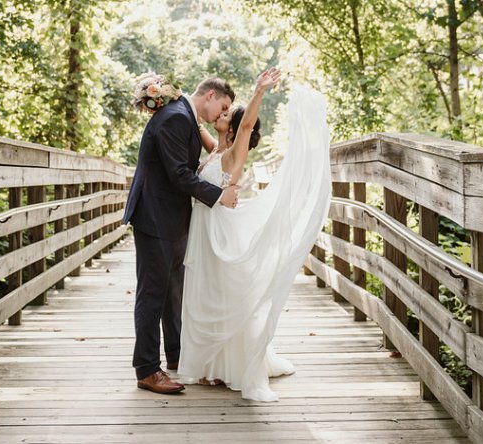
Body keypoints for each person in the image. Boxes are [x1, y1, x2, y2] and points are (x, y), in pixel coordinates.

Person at [178, 70, 332, 401]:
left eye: (226, 114)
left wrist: (259, 91)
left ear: (232, 128)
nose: (220, 113)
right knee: (207, 292)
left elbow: (246, 125)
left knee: (221, 293)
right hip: (204, 228)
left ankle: (227, 366)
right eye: (222, 110)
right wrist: (168, 97)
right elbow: (196, 120)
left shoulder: (235, 152)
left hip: (220, 229)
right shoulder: (215, 150)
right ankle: (212, 365)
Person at [123, 77, 242, 394]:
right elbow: (179, 174)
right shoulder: (177, 116)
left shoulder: (183, 115)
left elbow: (194, 162)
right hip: (155, 216)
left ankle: (176, 357)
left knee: (171, 291)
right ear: (211, 95)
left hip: (169, 217)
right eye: (224, 107)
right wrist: (218, 196)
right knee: (152, 292)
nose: (222, 114)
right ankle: (147, 369)